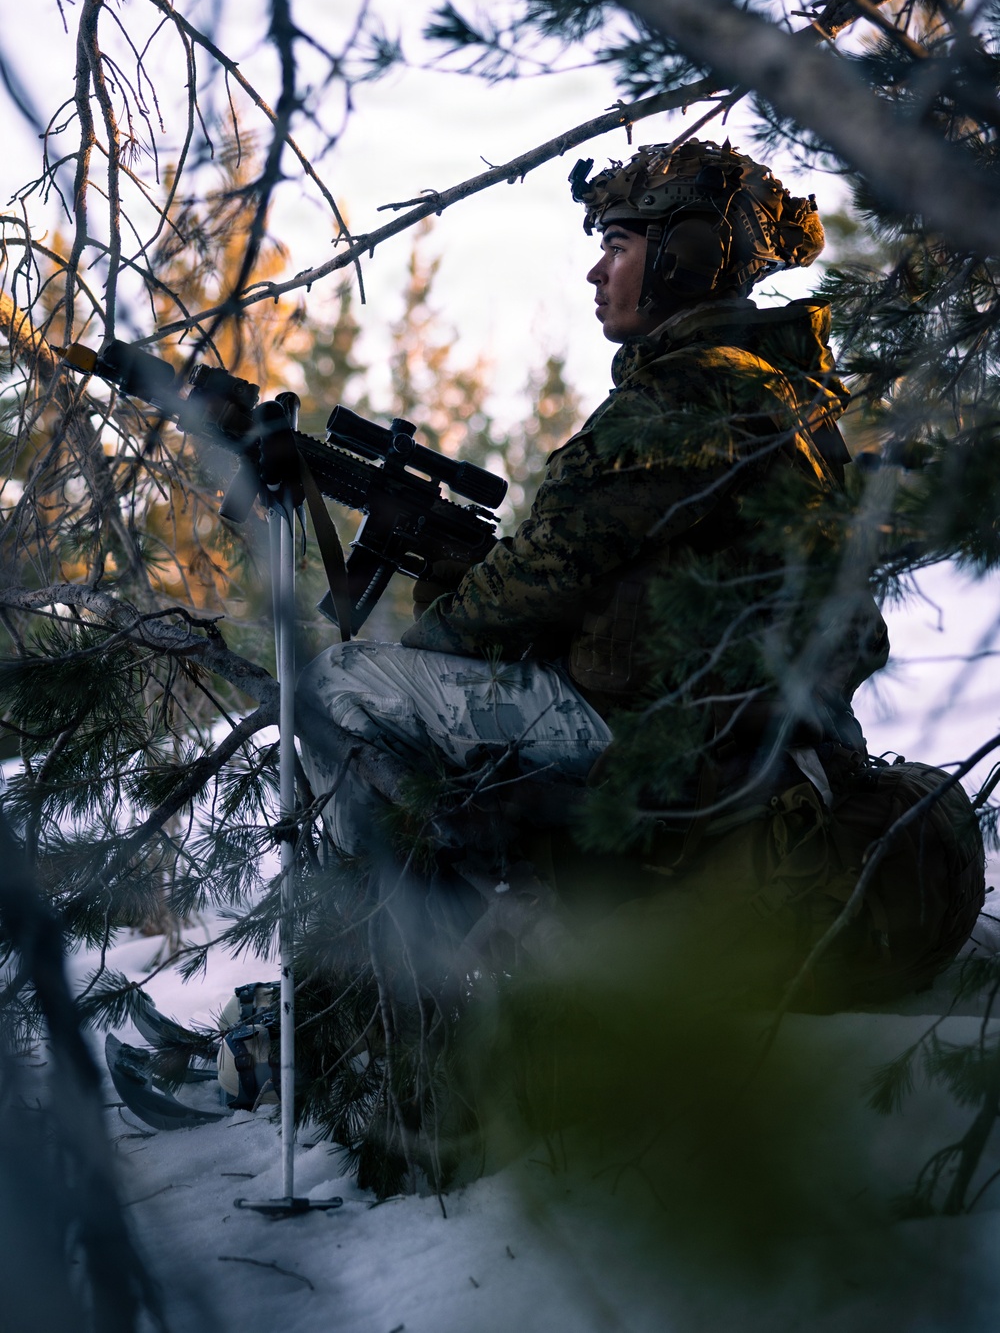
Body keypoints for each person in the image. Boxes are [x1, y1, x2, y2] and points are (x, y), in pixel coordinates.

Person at [296, 138, 980, 995]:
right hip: (755, 746)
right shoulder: (788, 395)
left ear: (682, 263)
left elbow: (532, 584)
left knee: (342, 686)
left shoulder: (675, 399)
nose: (596, 272)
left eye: (617, 246)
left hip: (675, 748)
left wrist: (438, 627)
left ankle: (433, 979)